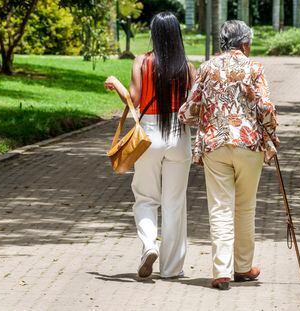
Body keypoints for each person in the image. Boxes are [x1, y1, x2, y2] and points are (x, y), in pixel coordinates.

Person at [178, 20, 279, 290]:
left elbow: (188, 112)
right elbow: (267, 109)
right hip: (249, 145)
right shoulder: (254, 68)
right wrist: (271, 132)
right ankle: (243, 267)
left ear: (223, 42)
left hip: (216, 145)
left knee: (220, 207)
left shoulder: (207, 68)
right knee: (245, 207)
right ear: (245, 44)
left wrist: (204, 116)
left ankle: (221, 271)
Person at [104, 12, 196, 278]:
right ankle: (172, 269)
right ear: (176, 34)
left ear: (155, 34)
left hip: (149, 136)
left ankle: (148, 247)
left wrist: (116, 83)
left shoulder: (142, 61)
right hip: (179, 136)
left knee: (145, 198)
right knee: (175, 203)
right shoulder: (187, 67)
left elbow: (132, 100)